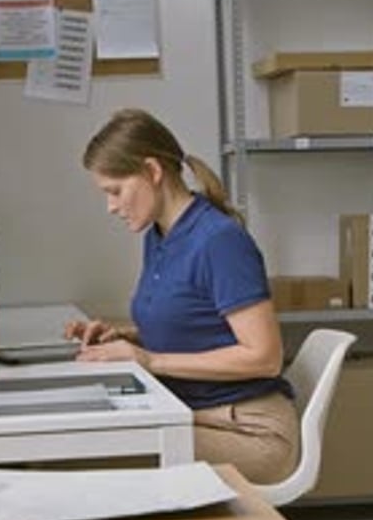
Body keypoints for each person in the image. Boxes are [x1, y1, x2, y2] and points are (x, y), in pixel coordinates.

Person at [65, 108, 299, 484]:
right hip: (192, 415)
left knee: (84, 453)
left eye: (115, 191)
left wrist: (149, 359)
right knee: (76, 443)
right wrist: (125, 338)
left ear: (152, 171)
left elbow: (265, 358)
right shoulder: (158, 236)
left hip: (249, 431)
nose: (111, 207)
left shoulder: (219, 241)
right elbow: (199, 325)